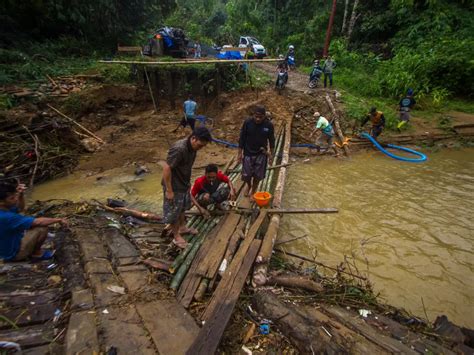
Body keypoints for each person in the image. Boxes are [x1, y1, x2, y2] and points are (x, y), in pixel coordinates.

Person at [161, 127, 212, 248]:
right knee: (174, 210)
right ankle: (176, 236)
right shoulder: (179, 149)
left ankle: (183, 227)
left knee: (182, 207)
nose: (200, 148)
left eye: (203, 146)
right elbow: (166, 168)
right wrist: (169, 190)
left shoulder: (193, 148)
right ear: (193, 138)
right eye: (200, 145)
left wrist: (187, 182)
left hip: (183, 183)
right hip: (173, 186)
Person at [0, 178, 67, 261]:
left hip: (4, 251)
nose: (15, 199)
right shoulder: (6, 217)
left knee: (23, 220)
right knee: (41, 228)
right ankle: (36, 253)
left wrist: (20, 195)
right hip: (13, 255)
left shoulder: (4, 208)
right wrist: (58, 220)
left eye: (15, 196)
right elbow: (38, 221)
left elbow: (19, 209)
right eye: (12, 198)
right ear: (2, 202)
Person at [238, 106, 275, 198]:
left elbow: (272, 140)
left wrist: (271, 155)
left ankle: (253, 191)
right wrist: (239, 153)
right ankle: (249, 185)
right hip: (248, 152)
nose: (258, 119)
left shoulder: (268, 125)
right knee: (246, 175)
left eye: (261, 117)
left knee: (257, 175)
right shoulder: (247, 123)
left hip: (261, 153)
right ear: (253, 115)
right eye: (256, 116)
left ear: (264, 116)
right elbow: (242, 138)